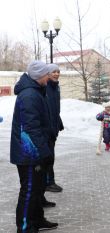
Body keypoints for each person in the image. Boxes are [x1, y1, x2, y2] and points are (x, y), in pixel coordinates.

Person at [10, 61, 58, 233]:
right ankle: (24, 227)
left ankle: (36, 220)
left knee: (37, 190)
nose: (49, 76)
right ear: (39, 76)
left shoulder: (36, 91)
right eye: (47, 74)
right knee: (29, 191)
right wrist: (44, 152)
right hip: (28, 153)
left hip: (34, 150)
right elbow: (31, 128)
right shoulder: (29, 95)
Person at [45, 63, 64, 193]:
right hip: (46, 129)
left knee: (50, 156)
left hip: (53, 126)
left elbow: (55, 109)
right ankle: (48, 182)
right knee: (47, 157)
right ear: (48, 73)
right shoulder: (45, 87)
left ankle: (49, 181)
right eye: (53, 72)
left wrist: (58, 122)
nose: (56, 74)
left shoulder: (56, 87)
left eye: (58, 71)